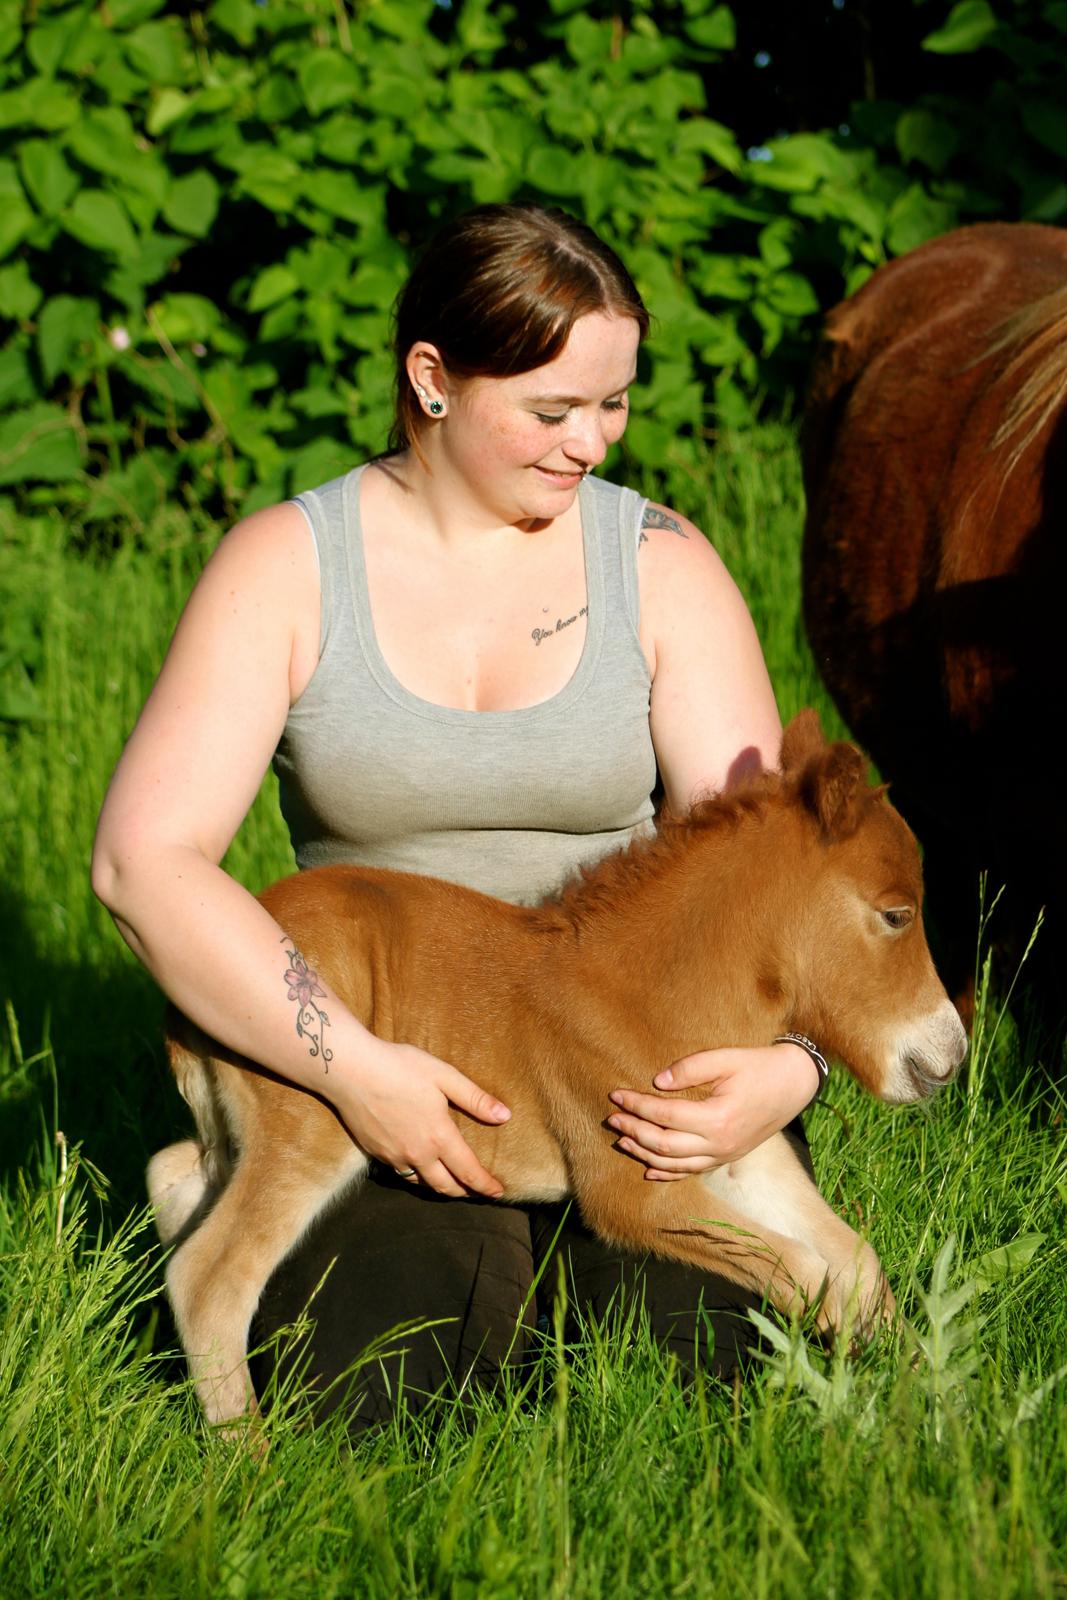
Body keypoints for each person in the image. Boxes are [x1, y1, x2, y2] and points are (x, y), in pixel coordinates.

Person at [92, 203, 824, 1426]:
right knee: (379, 1387)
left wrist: (786, 1067)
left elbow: (768, 874)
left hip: (632, 1068)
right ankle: (248, 1188)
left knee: (689, 1376)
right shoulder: (285, 564)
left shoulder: (660, 565)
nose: (589, 441)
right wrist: (362, 1073)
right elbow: (143, 862)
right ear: (430, 378)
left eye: (615, 404)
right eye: (551, 410)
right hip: (393, 1047)